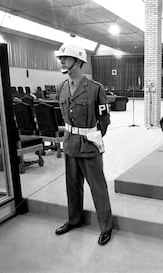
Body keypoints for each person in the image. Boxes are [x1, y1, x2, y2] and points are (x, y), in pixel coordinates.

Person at [54, 42, 114, 246]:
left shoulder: (95, 89)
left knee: (98, 188)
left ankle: (106, 227)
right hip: (70, 144)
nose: (61, 60)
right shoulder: (61, 88)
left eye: (65, 57)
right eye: (60, 57)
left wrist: (94, 136)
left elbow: (104, 120)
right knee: (72, 186)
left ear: (78, 61)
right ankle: (74, 219)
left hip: (89, 146)